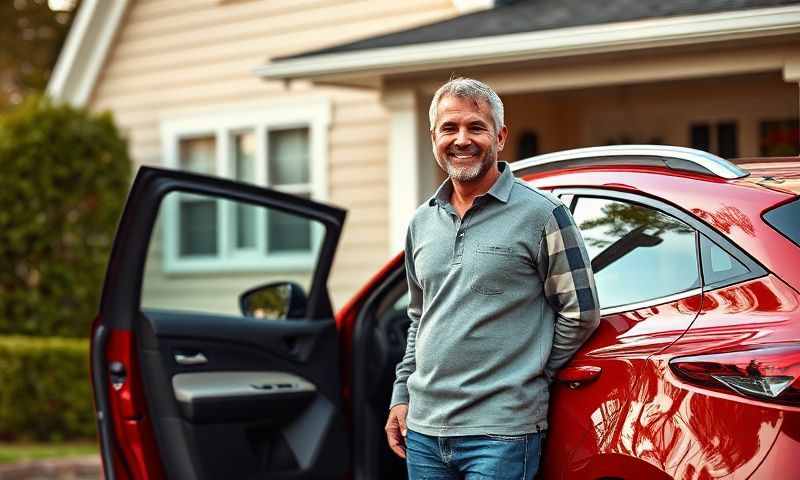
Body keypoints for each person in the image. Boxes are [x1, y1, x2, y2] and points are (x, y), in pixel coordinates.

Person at [384, 77, 601, 480]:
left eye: (475, 127)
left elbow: (581, 312)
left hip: (500, 434)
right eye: (449, 128)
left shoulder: (542, 215)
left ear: (500, 136)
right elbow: (420, 316)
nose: (461, 139)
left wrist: (531, 372)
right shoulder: (421, 221)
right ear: (433, 137)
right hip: (425, 431)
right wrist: (402, 396)